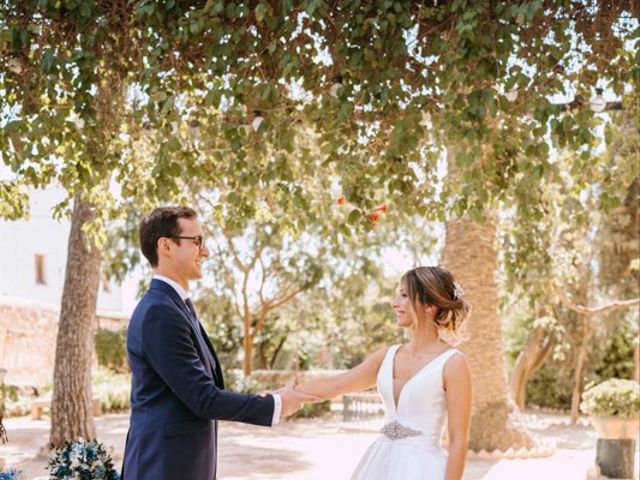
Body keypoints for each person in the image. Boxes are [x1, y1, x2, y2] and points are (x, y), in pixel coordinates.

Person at [121, 206, 313, 480]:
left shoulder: (176, 307)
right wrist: (275, 404)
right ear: (166, 246)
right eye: (196, 241)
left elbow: (200, 388)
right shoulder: (159, 312)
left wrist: (267, 396)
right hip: (162, 468)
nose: (206, 251)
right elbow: (203, 398)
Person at [295, 265, 473, 479]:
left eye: (405, 295)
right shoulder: (386, 357)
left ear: (429, 306)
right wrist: (279, 396)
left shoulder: (453, 363)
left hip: (423, 470)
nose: (394, 303)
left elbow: (458, 441)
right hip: (379, 465)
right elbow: (335, 385)